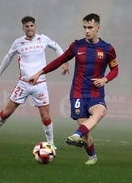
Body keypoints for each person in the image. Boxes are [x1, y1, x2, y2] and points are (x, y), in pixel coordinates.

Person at [29, 13, 118, 165]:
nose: (87, 31)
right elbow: (59, 61)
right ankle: (92, 156)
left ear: (98, 28)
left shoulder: (107, 49)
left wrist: (105, 79)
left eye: (90, 27)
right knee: (86, 131)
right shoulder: (77, 45)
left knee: (100, 112)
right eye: (84, 27)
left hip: (95, 94)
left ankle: (75, 135)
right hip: (77, 94)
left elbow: (115, 70)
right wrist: (39, 73)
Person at [0, 16, 69, 148]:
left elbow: (57, 48)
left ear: (35, 26)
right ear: (23, 28)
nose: (30, 28)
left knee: (45, 116)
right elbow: (8, 57)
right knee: (7, 112)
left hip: (40, 84)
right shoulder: (18, 42)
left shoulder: (43, 38)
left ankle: (51, 143)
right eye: (27, 26)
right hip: (24, 84)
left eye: (31, 25)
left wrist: (65, 62)